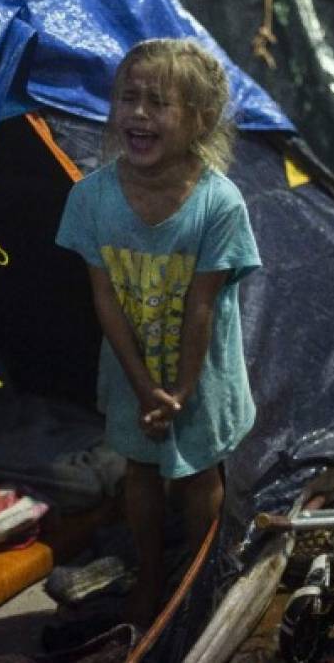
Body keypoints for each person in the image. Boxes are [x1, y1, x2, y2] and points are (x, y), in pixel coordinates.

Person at [55, 38, 261, 628]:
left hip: (201, 372)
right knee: (140, 469)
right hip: (131, 367)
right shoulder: (91, 198)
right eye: (128, 98)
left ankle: (202, 577)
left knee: (197, 473)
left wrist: (180, 391)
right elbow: (105, 298)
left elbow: (202, 306)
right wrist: (145, 386)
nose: (138, 114)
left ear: (198, 119)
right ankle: (149, 574)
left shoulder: (218, 204)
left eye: (157, 102)